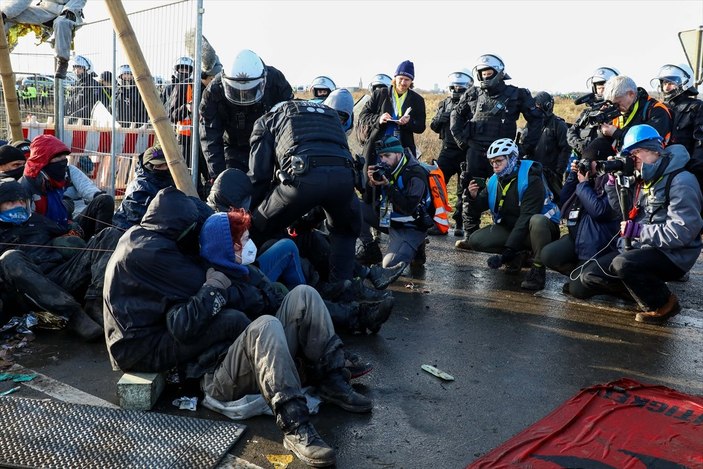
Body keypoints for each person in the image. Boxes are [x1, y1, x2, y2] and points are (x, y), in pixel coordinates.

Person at [103, 187, 371, 467]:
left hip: (245, 363)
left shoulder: (204, 263)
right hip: (215, 375)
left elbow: (259, 292)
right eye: (239, 241)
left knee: (304, 295)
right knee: (263, 325)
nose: (247, 244)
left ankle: (333, 380)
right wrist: (223, 292)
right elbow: (182, 325)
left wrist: (258, 291)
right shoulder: (183, 269)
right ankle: (295, 426)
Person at [579, 125, 703, 323]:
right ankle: (642, 292)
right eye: (629, 153)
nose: (632, 158)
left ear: (654, 149)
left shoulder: (681, 180)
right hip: (641, 247)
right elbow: (621, 211)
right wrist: (612, 183)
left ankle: (664, 303)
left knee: (622, 264)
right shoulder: (640, 178)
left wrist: (639, 231)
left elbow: (684, 231)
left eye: (636, 152)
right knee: (589, 276)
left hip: (673, 255)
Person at [248, 98, 361, 288]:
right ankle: (345, 293)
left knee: (259, 225)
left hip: (300, 177)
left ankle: (253, 285)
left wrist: (254, 211)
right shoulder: (331, 116)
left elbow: (258, 176)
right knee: (345, 233)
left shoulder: (268, 120)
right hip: (344, 179)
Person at [0, 179, 120, 340]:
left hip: (60, 275)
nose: (19, 206)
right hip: (28, 292)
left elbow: (68, 232)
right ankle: (75, 316)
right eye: (11, 202)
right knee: (10, 258)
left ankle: (95, 302)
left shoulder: (36, 220)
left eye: (22, 201)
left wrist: (73, 237)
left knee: (110, 234)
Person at [451, 54, 543, 249]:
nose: (485, 76)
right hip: (475, 152)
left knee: (509, 194)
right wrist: (463, 141)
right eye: (482, 73)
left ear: (499, 72)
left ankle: (513, 239)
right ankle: (471, 234)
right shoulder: (473, 94)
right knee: (471, 192)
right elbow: (456, 115)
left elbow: (536, 119)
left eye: (489, 72)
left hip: (504, 156)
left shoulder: (517, 94)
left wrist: (524, 147)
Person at [463, 138, 560, 290]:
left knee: (537, 221)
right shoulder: (495, 179)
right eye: (492, 161)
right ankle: (519, 254)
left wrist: (506, 254)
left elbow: (526, 218)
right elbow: (480, 206)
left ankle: (538, 269)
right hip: (513, 226)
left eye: (499, 161)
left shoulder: (532, 178)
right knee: (476, 240)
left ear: (512, 158)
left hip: (540, 230)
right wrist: (472, 197)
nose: (494, 165)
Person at [356, 60, 426, 264]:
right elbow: (363, 117)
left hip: (402, 151)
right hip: (377, 149)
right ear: (394, 77)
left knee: (401, 189)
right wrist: (379, 119)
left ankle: (417, 244)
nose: (403, 82)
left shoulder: (417, 99)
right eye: (401, 78)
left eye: (408, 80)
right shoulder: (379, 95)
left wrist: (408, 123)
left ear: (411, 82)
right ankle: (372, 237)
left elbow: (421, 126)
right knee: (371, 189)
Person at [541, 137, 621, 298]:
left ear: (600, 162)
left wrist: (583, 185)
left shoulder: (612, 182)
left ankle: (619, 288)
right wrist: (573, 176)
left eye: (588, 161)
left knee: (577, 291)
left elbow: (600, 211)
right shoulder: (587, 179)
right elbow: (564, 199)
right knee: (549, 255)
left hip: (599, 247)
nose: (585, 164)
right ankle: (580, 277)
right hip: (578, 239)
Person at [199, 49, 293, 178]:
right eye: (236, 91)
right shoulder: (213, 91)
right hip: (233, 146)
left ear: (263, 80)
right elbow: (210, 136)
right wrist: (218, 177)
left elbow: (290, 117)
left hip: (270, 145)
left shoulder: (275, 80)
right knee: (232, 183)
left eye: (249, 91)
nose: (243, 97)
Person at [366, 136, 429, 269]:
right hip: (389, 217)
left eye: (387, 156)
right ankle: (369, 251)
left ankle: (418, 244)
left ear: (398, 153)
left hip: (411, 224)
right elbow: (369, 201)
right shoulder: (385, 169)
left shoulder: (415, 174)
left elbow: (408, 208)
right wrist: (372, 185)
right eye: (381, 156)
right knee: (353, 208)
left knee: (389, 265)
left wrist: (388, 186)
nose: (383, 160)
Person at [430, 70, 473, 237]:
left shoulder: (473, 102)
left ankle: (460, 223)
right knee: (437, 185)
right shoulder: (444, 103)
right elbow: (433, 126)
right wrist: (442, 118)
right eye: (453, 87)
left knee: (464, 189)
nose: (456, 90)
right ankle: (439, 222)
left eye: (459, 87)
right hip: (447, 150)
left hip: (465, 151)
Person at [2, 0, 85, 79]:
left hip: (69, 12)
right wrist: (5, 12)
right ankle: (4, 49)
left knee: (61, 23)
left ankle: (63, 61)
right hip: (46, 10)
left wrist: (69, 10)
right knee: (8, 17)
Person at [601, 75, 672, 152]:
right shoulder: (618, 111)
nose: (616, 107)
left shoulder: (657, 110)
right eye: (613, 104)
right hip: (622, 155)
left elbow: (648, 141)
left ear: (631, 94)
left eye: (618, 103)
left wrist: (617, 133)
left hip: (648, 158)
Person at [112, 143, 174, 229]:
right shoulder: (139, 187)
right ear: (147, 166)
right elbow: (137, 218)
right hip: (129, 231)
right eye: (159, 165)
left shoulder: (172, 180)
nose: (165, 168)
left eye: (167, 164)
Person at [650, 63, 703, 161]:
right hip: (662, 164)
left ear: (684, 83)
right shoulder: (660, 108)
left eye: (670, 83)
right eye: (664, 83)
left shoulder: (696, 107)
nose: (666, 87)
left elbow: (700, 141)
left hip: (686, 165)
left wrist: (695, 169)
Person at [20, 135, 74, 230]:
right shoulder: (26, 186)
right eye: (57, 157)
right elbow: (25, 225)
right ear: (43, 160)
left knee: (103, 201)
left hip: (62, 225)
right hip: (40, 236)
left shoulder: (56, 178)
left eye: (64, 156)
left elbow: (65, 201)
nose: (63, 161)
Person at [567, 67, 620, 159]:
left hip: (605, 162)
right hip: (583, 159)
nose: (601, 91)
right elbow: (571, 131)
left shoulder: (619, 111)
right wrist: (581, 146)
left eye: (604, 88)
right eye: (599, 88)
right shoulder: (588, 112)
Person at [527, 91, 571, 188]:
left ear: (547, 106)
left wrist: (558, 172)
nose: (536, 109)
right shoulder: (532, 124)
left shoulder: (559, 125)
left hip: (551, 174)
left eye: (538, 106)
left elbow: (566, 149)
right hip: (532, 171)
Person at [63, 162, 114, 240]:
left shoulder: (70, 170)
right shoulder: (40, 177)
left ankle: (102, 243)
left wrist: (96, 194)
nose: (64, 159)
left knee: (105, 199)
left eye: (64, 156)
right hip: (60, 222)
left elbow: (86, 186)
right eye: (58, 156)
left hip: (80, 215)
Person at [65, 54, 100, 124]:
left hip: (86, 124)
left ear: (87, 69)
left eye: (79, 68)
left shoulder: (93, 84)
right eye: (75, 68)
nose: (76, 71)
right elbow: (69, 102)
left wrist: (74, 116)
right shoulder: (76, 85)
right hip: (73, 123)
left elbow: (91, 106)